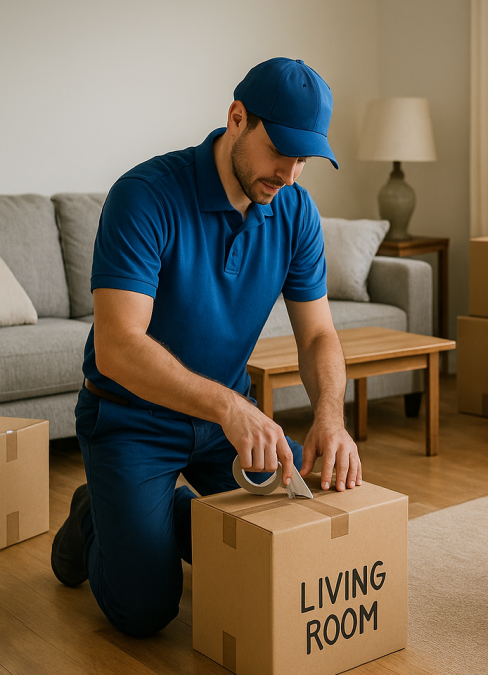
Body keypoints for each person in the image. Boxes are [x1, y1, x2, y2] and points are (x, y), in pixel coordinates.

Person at [50, 57, 361, 637]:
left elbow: (318, 333)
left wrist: (329, 418)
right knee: (146, 609)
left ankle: (158, 522)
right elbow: (119, 347)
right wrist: (230, 407)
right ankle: (96, 512)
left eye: (304, 158)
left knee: (311, 527)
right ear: (237, 119)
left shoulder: (294, 211)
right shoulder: (144, 196)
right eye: (281, 151)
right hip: (130, 418)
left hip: (223, 424)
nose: (289, 174)